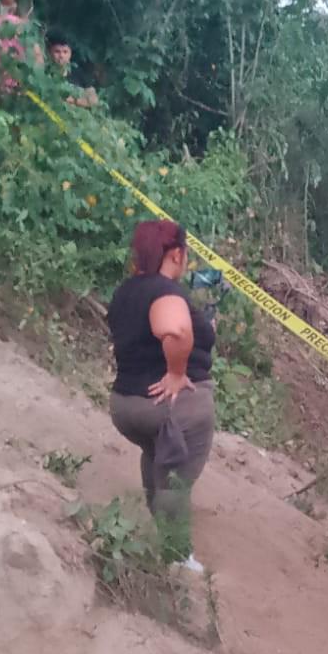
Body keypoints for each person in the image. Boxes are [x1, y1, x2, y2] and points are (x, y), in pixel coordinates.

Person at [107, 220, 216, 572]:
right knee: (175, 479)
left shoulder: (126, 291)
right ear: (177, 254)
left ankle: (159, 536)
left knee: (158, 456)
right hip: (172, 408)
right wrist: (177, 373)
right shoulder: (165, 291)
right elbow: (176, 330)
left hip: (127, 405)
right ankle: (177, 559)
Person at [46, 34, 98, 107]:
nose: (61, 56)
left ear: (70, 53)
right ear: (49, 53)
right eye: (57, 51)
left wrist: (73, 100)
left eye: (65, 52)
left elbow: (94, 100)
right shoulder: (45, 73)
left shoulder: (79, 73)